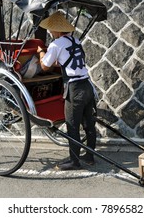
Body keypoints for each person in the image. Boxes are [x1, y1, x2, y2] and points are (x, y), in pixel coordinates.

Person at [37, 11, 97, 171]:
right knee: (89, 124)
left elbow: (44, 66)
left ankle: (74, 161)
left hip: (75, 89)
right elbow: (67, 61)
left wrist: (40, 52)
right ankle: (90, 156)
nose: (50, 33)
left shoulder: (56, 44)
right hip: (87, 85)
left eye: (51, 30)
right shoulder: (76, 41)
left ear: (57, 30)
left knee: (72, 125)